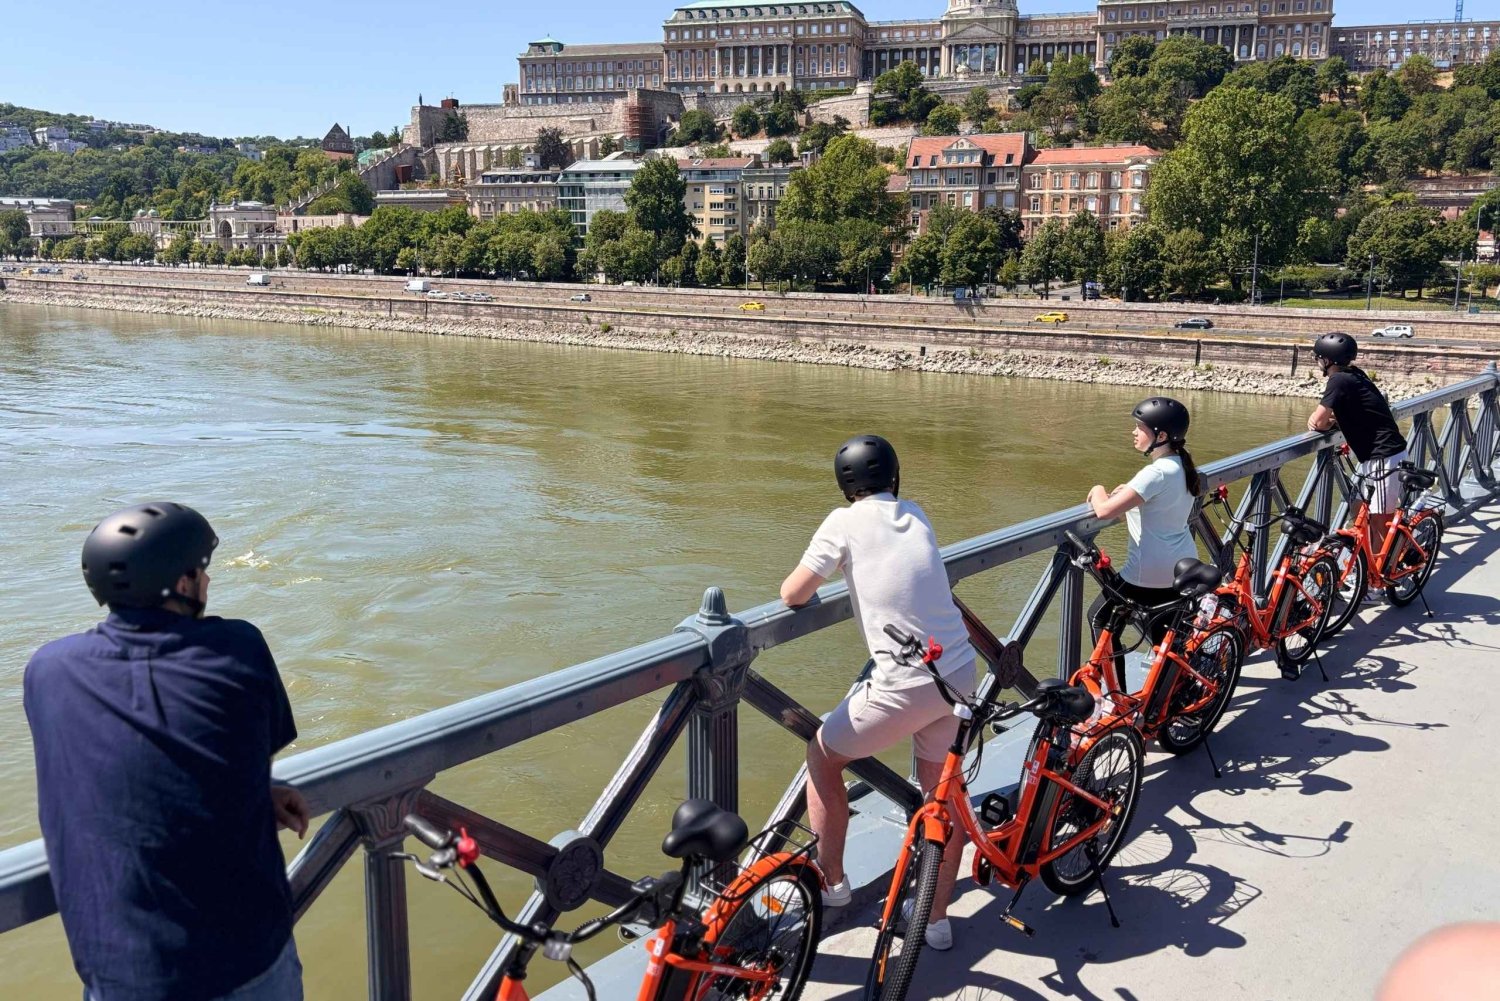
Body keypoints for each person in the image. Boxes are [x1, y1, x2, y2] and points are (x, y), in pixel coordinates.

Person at [23, 502, 309, 1001]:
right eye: (200, 570)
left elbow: (122, 751)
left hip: (119, 970)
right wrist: (257, 792)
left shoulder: (48, 669)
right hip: (243, 962)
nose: (206, 581)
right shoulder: (237, 646)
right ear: (181, 585)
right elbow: (248, 751)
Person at [781, 435, 977, 952]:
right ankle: (935, 919)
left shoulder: (842, 523)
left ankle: (833, 885)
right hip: (956, 669)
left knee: (822, 756)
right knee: (942, 798)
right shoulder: (916, 513)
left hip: (904, 683)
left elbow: (793, 593)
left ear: (845, 485)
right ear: (894, 477)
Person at [1085, 397, 1202, 686]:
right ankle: (1174, 698)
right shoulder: (1181, 466)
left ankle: (1118, 695)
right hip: (1180, 568)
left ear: (1161, 436)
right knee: (1167, 642)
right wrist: (1132, 496)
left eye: (1140, 427)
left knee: (1100, 620)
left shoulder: (1155, 473)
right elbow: (1158, 511)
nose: (1134, 432)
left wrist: (1097, 488)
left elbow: (1103, 511)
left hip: (1146, 575)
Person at [1305, 332, 1408, 562]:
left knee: (1380, 519)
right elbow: (1355, 412)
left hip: (1383, 455)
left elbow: (1319, 422)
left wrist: (1320, 422)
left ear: (1328, 359)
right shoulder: (1353, 374)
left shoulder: (1338, 380)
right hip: (1376, 455)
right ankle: (1365, 563)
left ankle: (1377, 581)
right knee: (1358, 506)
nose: (1317, 361)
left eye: (1318, 357)